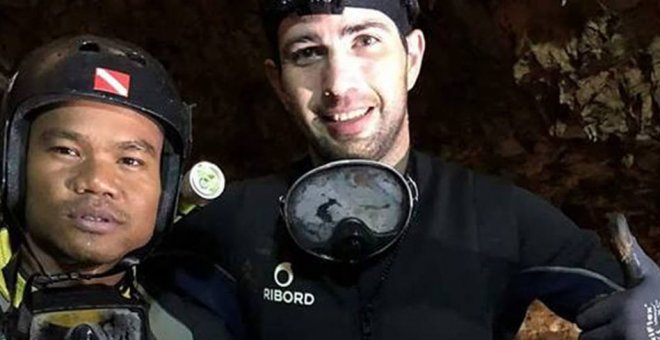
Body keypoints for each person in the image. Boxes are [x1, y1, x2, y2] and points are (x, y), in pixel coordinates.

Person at [168, 1, 660, 339]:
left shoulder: (498, 217)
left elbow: (630, 299)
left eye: (365, 40)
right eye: (307, 52)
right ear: (278, 82)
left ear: (413, 57)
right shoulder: (230, 223)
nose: (339, 84)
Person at [0, 35, 236, 339]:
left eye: (130, 160)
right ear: (14, 164)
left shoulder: (197, 328)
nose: (98, 182)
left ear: (166, 191)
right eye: (67, 150)